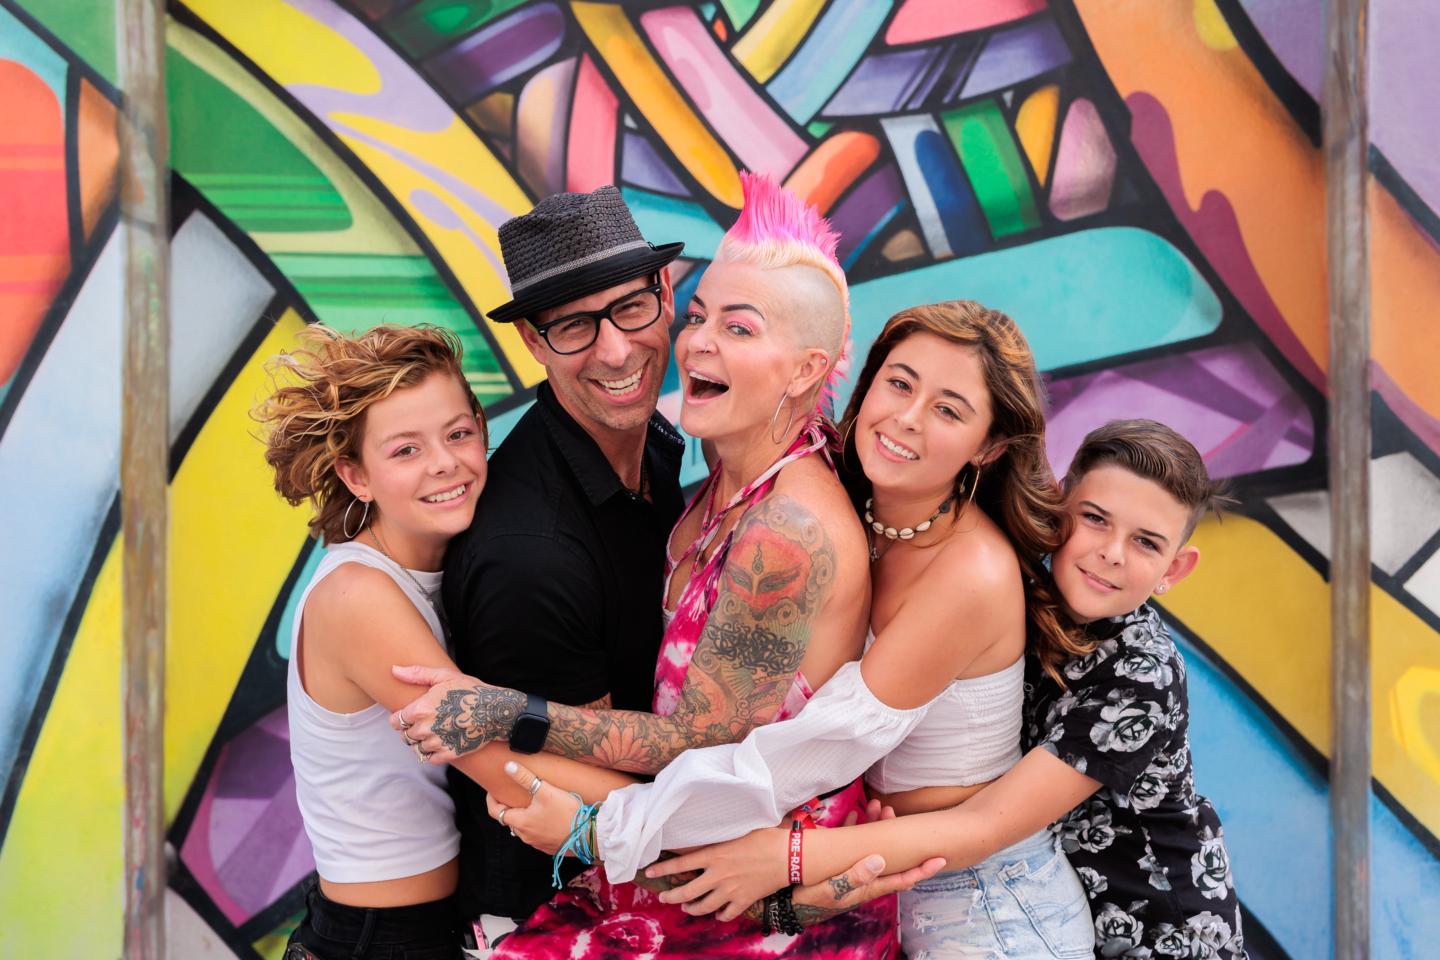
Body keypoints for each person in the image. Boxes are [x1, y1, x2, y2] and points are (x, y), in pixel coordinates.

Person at [393, 174, 926, 956]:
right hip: (648, 881)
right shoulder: (550, 542)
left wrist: (509, 713)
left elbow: (699, 747)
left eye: (737, 327)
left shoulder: (779, 521)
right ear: (534, 343)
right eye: (573, 326)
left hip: (731, 897)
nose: (620, 348)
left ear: (660, 296)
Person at [498, 301, 1097, 958]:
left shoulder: (969, 572)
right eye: (899, 383)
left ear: (989, 446)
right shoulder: (857, 505)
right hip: (878, 876)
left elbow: (814, 750)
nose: (907, 417)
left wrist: (599, 828)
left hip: (988, 910)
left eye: (948, 410)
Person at [635, 419, 1248, 959]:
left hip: (1155, 930)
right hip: (1023, 897)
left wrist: (785, 856)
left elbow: (986, 822)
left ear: (1175, 569)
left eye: (1146, 542)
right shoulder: (1016, 580)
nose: (1111, 553)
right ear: (1060, 507)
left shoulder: (1142, 674)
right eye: (1095, 519)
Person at [255, 324, 490, 959]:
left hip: (423, 928)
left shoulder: (444, 567)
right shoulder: (358, 596)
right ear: (356, 476)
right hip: (379, 940)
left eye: (457, 434)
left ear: (481, 430)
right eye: (406, 450)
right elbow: (500, 764)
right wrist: (678, 813)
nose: (443, 462)